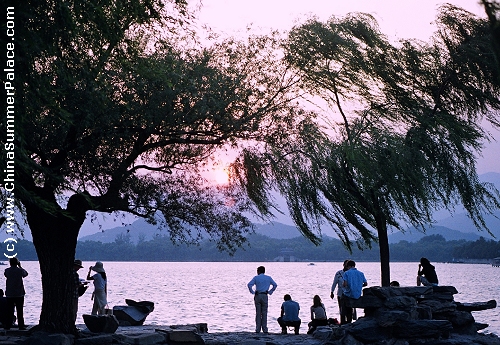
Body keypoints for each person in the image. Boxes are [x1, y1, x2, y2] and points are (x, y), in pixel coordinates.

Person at [247, 266, 277, 333]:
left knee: (258, 313)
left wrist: (253, 292)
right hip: (265, 295)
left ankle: (258, 329)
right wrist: (270, 292)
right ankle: (265, 329)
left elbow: (249, 285)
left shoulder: (256, 278)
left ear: (259, 271)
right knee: (264, 312)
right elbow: (275, 285)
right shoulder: (268, 278)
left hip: (258, 295)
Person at [4, 257, 28, 330]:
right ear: (17, 263)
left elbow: (6, 275)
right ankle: (21, 325)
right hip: (19, 293)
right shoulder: (20, 271)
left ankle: (8, 325)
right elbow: (26, 274)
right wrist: (20, 266)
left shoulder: (7, 271)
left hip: (10, 293)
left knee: (9, 310)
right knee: (20, 310)